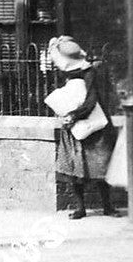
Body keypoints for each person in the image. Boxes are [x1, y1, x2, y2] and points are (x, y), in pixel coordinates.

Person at [49, 36, 120, 219]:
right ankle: (81, 208)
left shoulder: (90, 72)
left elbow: (91, 100)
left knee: (100, 166)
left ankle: (108, 206)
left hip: (93, 124)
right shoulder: (66, 73)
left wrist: (73, 115)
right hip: (74, 126)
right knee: (75, 168)